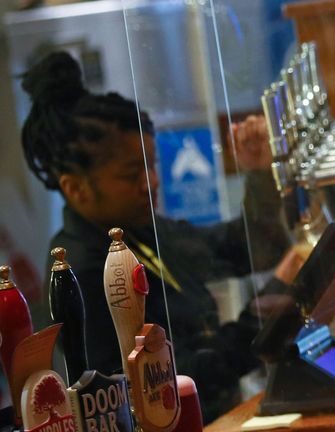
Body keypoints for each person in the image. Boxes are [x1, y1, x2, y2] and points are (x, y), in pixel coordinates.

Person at [20, 51, 300, 423]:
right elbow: (154, 389)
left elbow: (244, 250)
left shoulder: (143, 231)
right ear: (76, 189)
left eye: (151, 165)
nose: (151, 182)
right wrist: (275, 302)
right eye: (130, 174)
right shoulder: (81, 272)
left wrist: (261, 175)